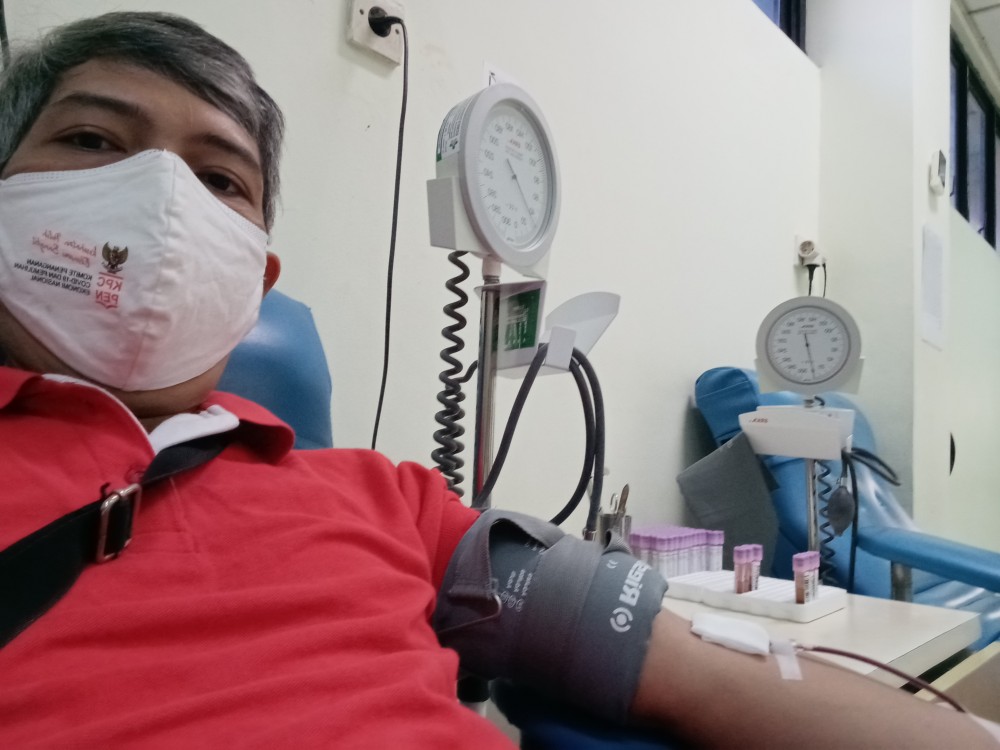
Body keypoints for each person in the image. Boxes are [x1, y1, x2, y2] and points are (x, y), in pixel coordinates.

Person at [0, 11, 997, 749]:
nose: (161, 201)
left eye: (221, 179)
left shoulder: (381, 498)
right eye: (92, 140)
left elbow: (698, 671)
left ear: (253, 278)